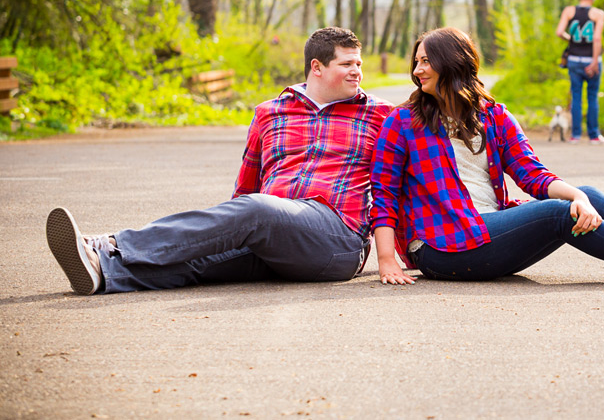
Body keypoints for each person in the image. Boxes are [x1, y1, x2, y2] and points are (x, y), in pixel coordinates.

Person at [370, 27, 604, 285]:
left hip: (490, 228)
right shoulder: (402, 121)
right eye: (416, 62)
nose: (417, 70)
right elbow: (383, 194)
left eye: (426, 61)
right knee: (560, 213)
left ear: (453, 63)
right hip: (441, 247)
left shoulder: (494, 115)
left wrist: (580, 198)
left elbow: (532, 174)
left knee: (586, 194)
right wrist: (387, 258)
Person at [45, 27, 394, 295]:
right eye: (347, 64)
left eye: (359, 64)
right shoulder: (269, 113)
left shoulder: (380, 116)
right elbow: (246, 186)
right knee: (202, 260)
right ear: (316, 67)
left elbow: (398, 185)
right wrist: (225, 236)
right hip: (272, 229)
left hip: (336, 242)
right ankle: (104, 273)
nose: (357, 72)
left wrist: (401, 253)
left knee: (259, 210)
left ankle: (113, 243)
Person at [555, 0, 604, 143]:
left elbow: (559, 32)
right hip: (591, 59)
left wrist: (571, 39)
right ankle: (594, 135)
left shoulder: (569, 11)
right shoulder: (598, 14)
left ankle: (575, 135)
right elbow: (597, 38)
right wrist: (594, 61)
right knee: (592, 97)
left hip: (574, 60)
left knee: (576, 96)